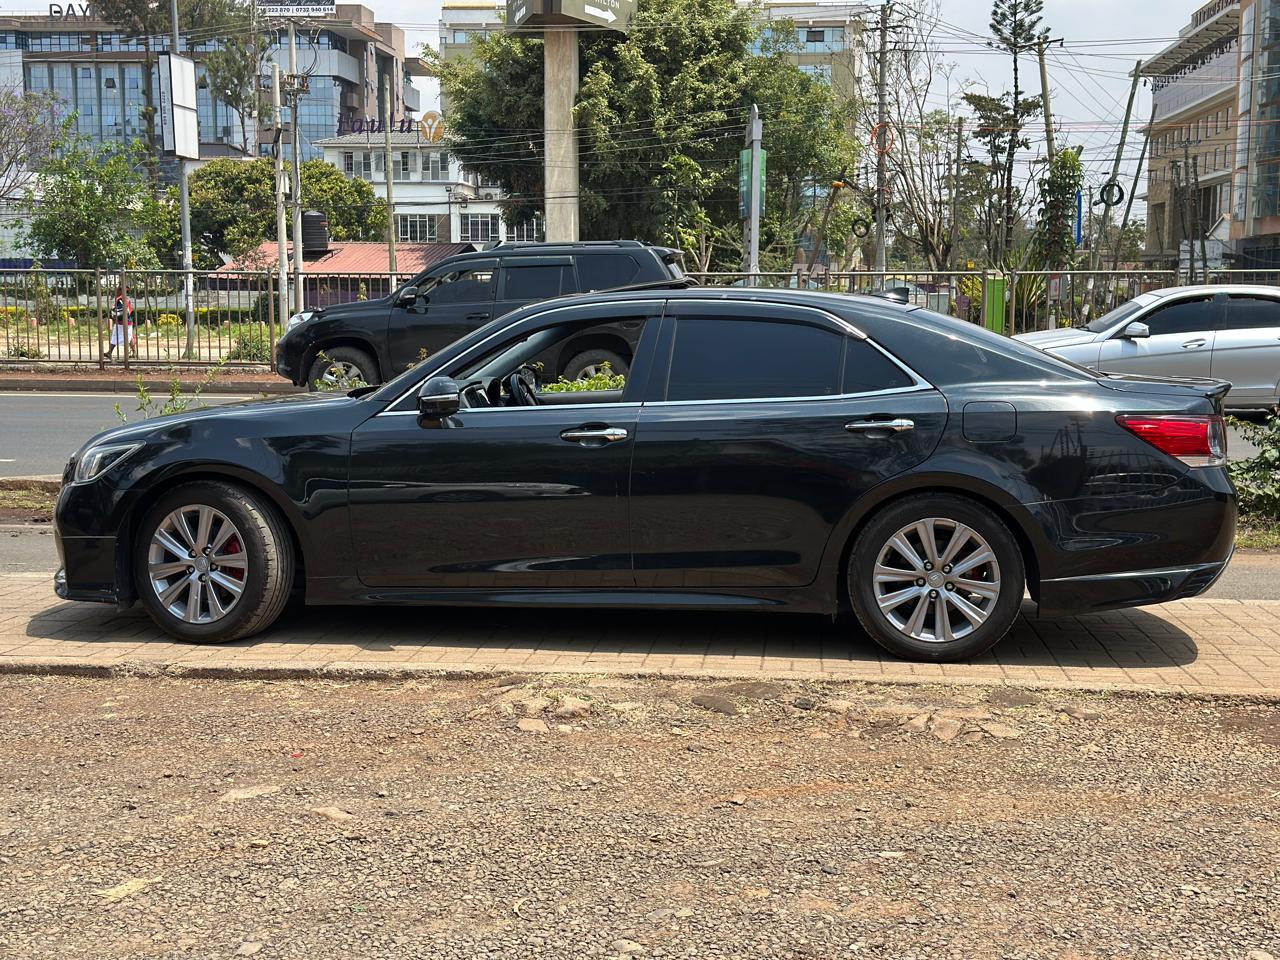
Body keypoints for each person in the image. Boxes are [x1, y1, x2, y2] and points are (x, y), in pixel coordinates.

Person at [103, 290, 136, 360]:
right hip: (127, 321)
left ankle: (110, 352)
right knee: (128, 337)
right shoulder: (126, 299)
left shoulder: (120, 299)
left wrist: (113, 308)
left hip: (122, 322)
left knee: (117, 336)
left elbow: (118, 309)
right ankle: (134, 353)